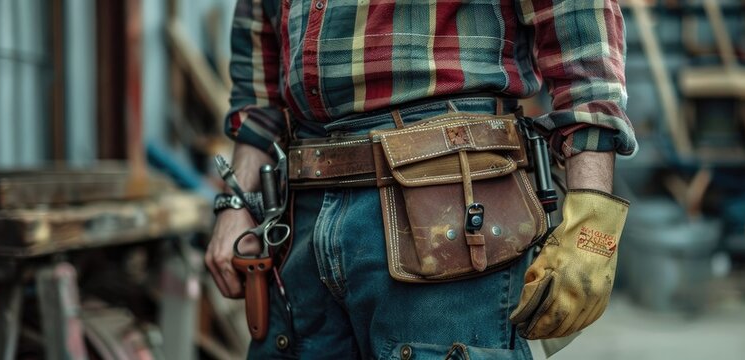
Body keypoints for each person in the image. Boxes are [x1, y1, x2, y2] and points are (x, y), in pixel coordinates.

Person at [206, 0, 636, 358]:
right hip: (303, 211)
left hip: (448, 199)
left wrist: (592, 219)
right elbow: (257, 93)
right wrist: (235, 203)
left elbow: (580, 35)